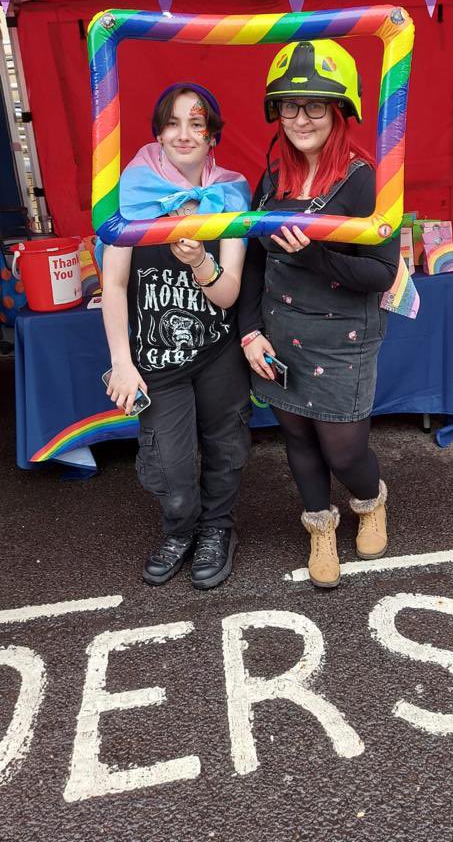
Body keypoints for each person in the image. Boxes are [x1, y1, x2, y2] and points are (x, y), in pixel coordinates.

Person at [238, 40, 400, 589]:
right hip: (280, 333)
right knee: (299, 439)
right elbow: (256, 263)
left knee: (344, 448)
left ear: (339, 109)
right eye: (289, 106)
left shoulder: (363, 179)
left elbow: (380, 275)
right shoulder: (270, 179)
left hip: (344, 337)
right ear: (275, 111)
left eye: (314, 106)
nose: (300, 118)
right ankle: (320, 528)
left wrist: (313, 256)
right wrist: (250, 332)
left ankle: (369, 500)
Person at [101, 82, 252, 589]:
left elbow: (229, 294)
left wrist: (202, 261)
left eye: (197, 123)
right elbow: (115, 283)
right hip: (156, 360)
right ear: (159, 131)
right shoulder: (130, 190)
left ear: (213, 136)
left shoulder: (230, 193)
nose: (184, 133)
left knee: (225, 447)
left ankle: (217, 529)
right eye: (172, 121)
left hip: (217, 353)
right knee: (170, 466)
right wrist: (122, 363)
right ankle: (181, 527)